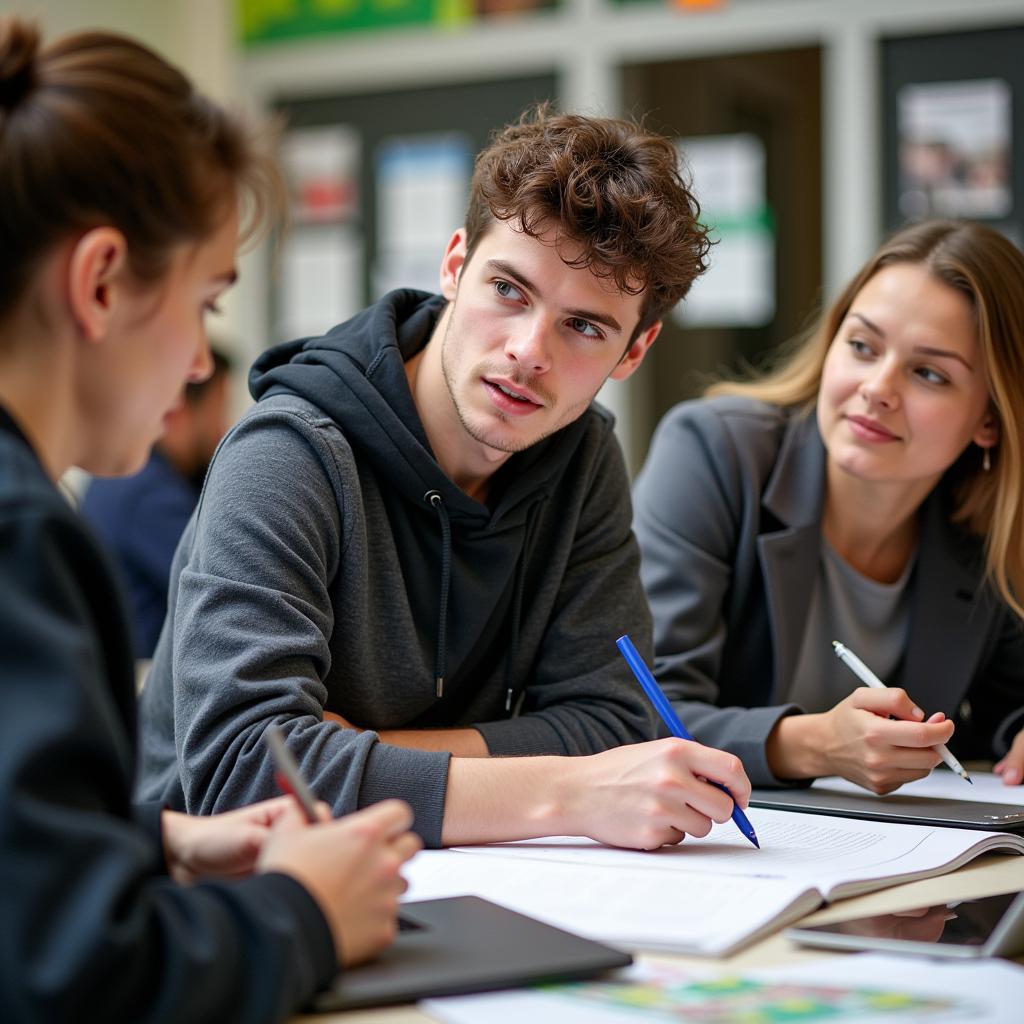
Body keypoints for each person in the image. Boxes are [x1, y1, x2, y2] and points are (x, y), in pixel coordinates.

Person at [137, 106, 754, 851]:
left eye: (584, 327)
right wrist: (568, 793)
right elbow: (245, 773)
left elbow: (612, 723)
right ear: (455, 265)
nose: (530, 352)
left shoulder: (583, 461)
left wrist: (370, 750)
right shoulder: (287, 454)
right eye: (509, 291)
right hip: (225, 894)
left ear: (634, 350)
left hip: (459, 873)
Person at [0, 20, 420, 1022]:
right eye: (203, 301)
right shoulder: (23, 539)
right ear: (101, 281)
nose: (199, 363)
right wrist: (306, 909)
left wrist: (156, 840)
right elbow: (72, 978)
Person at [633, 219, 1024, 795]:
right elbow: (639, 711)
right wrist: (816, 744)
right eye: (862, 346)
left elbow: (1006, 710)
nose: (877, 387)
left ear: (989, 419)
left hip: (895, 863)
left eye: (928, 373)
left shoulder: (985, 530)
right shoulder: (714, 453)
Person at [82, 348, 233, 656]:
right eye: (217, 412)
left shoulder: (126, 476)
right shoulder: (150, 496)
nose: (223, 430)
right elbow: (228, 586)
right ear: (178, 411)